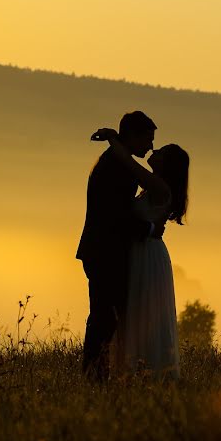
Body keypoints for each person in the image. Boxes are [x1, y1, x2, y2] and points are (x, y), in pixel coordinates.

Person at [94, 128, 190, 380]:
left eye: (161, 152)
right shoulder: (153, 186)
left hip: (148, 254)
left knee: (144, 309)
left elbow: (128, 164)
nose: (154, 151)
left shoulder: (158, 186)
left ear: (167, 164)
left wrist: (114, 139)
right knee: (137, 309)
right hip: (142, 250)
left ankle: (147, 371)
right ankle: (134, 369)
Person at [77, 111, 158, 382]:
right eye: (148, 138)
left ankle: (98, 373)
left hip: (102, 249)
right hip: (105, 251)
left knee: (105, 315)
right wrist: (148, 229)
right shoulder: (118, 168)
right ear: (133, 136)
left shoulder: (115, 161)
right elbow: (116, 214)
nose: (151, 147)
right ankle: (94, 375)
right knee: (104, 316)